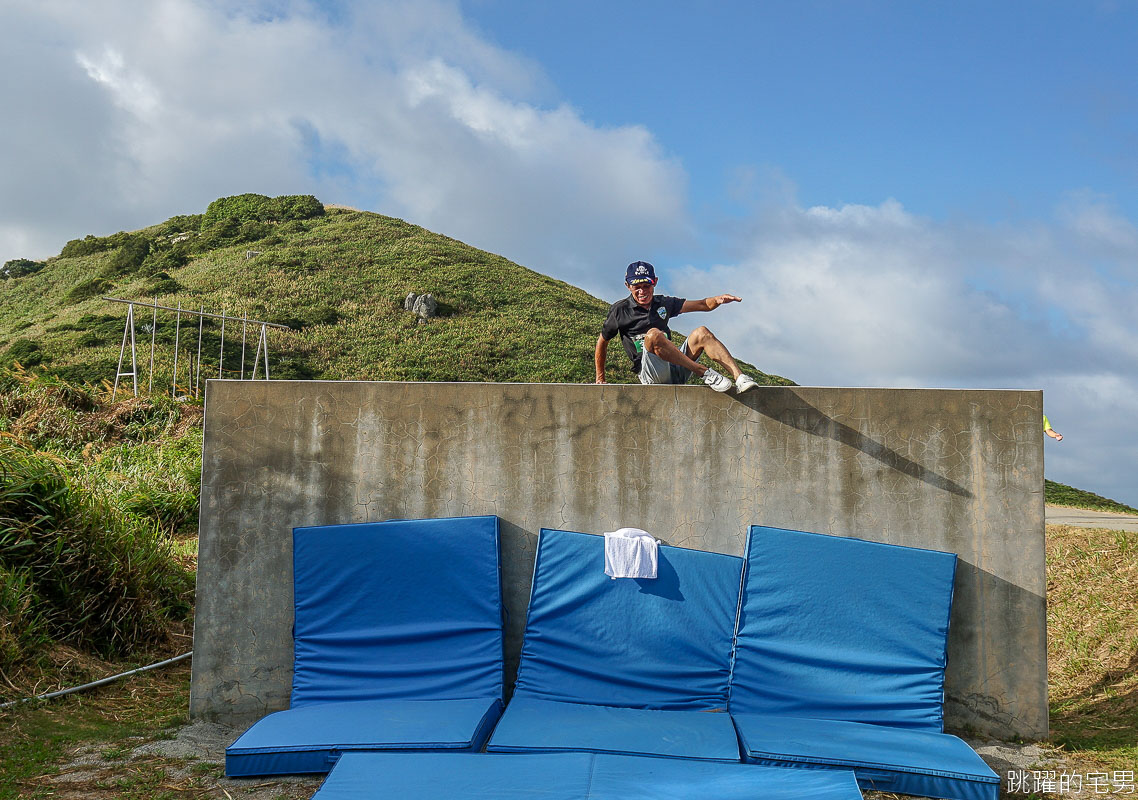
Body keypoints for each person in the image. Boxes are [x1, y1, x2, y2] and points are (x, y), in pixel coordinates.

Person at [594, 260, 760, 393]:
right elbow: (603, 341)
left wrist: (717, 300)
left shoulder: (663, 303)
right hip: (652, 374)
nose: (642, 292)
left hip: (675, 366)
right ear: (628, 286)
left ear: (655, 282)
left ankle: (740, 378)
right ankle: (703, 372)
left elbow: (703, 305)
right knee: (653, 335)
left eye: (647, 286)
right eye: (637, 287)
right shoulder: (620, 310)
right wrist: (600, 377)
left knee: (702, 333)